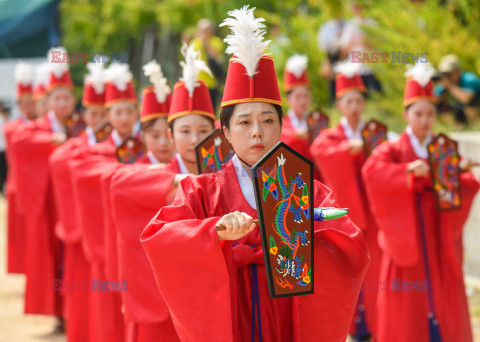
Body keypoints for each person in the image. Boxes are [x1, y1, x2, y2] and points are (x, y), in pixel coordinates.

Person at [141, 7, 369, 342]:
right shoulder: (200, 190)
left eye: (267, 120)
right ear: (226, 133)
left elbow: (350, 243)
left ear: (280, 128)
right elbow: (159, 236)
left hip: (288, 313)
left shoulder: (306, 188)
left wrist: (306, 231)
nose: (257, 133)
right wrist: (214, 232)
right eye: (245, 123)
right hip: (230, 315)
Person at [362, 62, 479, 342]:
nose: (425, 120)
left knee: (442, 289)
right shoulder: (390, 149)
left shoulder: (444, 147)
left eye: (430, 113)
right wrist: (405, 171)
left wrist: (465, 176)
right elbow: (372, 173)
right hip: (406, 233)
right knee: (406, 296)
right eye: (418, 113)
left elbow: (457, 186)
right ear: (406, 115)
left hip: (437, 233)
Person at [110, 52, 214, 342]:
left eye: (203, 130)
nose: (194, 139)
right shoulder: (158, 173)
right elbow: (119, 182)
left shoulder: (224, 174)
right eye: (185, 131)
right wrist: (176, 180)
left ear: (216, 131)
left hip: (211, 294)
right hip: (166, 295)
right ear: (171, 134)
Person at [68, 61, 139, 342]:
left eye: (129, 111)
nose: (124, 117)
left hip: (136, 235)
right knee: (109, 304)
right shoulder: (98, 151)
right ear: (108, 115)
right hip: (109, 233)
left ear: (137, 113)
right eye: (118, 112)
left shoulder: (147, 146)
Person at [309, 61, 380, 341]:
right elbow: (319, 151)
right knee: (348, 268)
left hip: (374, 214)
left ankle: (376, 323)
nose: (354, 107)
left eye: (358, 100)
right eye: (348, 101)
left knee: (375, 270)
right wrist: (346, 150)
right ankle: (351, 327)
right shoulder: (331, 136)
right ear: (339, 104)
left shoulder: (374, 134)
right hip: (345, 214)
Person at [9, 47, 76, 333]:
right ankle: (59, 315)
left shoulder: (80, 126)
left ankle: (76, 311)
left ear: (74, 100)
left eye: (67, 97)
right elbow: (18, 140)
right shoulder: (37, 128)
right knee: (53, 257)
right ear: (47, 101)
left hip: (75, 204)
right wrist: (52, 140)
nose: (62, 103)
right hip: (50, 204)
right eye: (56, 97)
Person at [48, 61, 107, 342]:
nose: (99, 118)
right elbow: (58, 161)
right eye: (93, 113)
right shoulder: (75, 146)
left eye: (104, 112)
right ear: (84, 115)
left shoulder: (130, 149)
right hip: (84, 230)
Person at [3, 61, 37, 274]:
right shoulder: (12, 127)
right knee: (21, 232)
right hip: (18, 185)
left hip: (37, 185)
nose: (27, 106)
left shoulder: (41, 124)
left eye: (30, 101)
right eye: (22, 102)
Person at [434, 54, 480, 126]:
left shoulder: (469, 79)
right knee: (439, 105)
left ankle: (473, 125)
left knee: (472, 102)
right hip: (460, 113)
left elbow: (466, 99)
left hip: (474, 112)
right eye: (444, 73)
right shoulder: (445, 82)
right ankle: (455, 126)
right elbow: (434, 100)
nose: (447, 76)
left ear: (458, 71)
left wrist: (450, 86)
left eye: (449, 73)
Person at [191, 18, 224, 109]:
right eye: (202, 30)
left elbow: (216, 56)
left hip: (211, 83)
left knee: (210, 108)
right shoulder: (195, 42)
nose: (204, 32)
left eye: (206, 30)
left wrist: (205, 43)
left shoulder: (216, 41)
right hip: (197, 82)